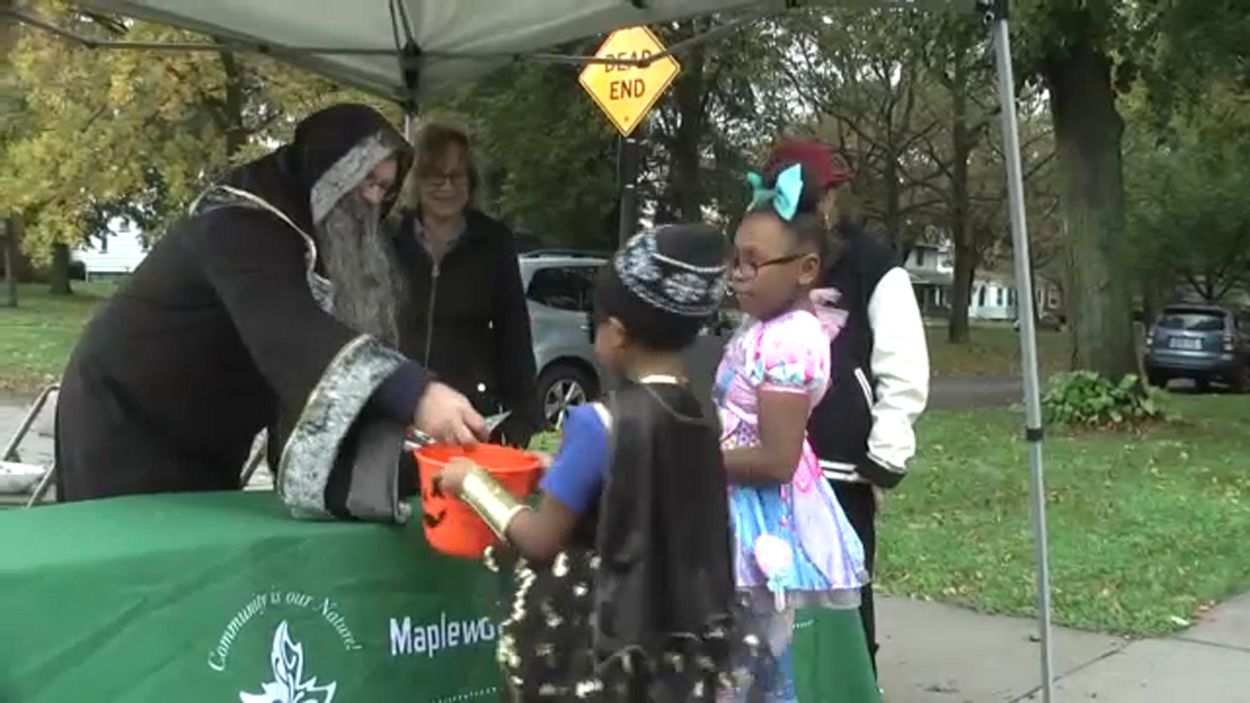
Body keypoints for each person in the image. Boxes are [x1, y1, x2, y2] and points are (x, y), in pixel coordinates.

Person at [54, 104, 486, 522]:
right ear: (328, 170)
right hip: (127, 420)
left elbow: (304, 384)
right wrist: (418, 394)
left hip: (208, 434)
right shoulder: (236, 221)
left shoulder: (316, 241)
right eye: (366, 180)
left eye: (385, 188)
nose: (374, 200)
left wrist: (397, 461)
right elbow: (294, 337)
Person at [437, 225, 765, 701]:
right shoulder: (701, 414)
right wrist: (560, 467)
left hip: (598, 643)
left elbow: (541, 540)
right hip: (676, 640)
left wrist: (473, 482)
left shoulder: (597, 424)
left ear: (618, 333)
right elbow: (645, 484)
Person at [765, 140, 930, 674]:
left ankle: (854, 682)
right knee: (776, 594)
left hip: (840, 467)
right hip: (771, 462)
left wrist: (886, 452)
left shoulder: (872, 265)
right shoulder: (768, 262)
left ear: (833, 198)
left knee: (844, 595)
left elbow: (902, 362)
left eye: (817, 199)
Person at [715, 162, 869, 702]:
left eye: (754, 263)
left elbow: (777, 459)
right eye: (735, 260)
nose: (739, 274)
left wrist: (689, 456)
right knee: (745, 667)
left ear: (805, 269)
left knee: (745, 667)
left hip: (758, 518)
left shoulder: (789, 343)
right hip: (736, 505)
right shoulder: (765, 327)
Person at [392, 123, 541, 448]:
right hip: (398, 410)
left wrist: (525, 418)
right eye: (435, 176)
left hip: (468, 416)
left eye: (456, 176)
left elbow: (514, 333)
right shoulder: (389, 237)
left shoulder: (494, 242)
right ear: (417, 180)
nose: (446, 187)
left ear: (471, 182)